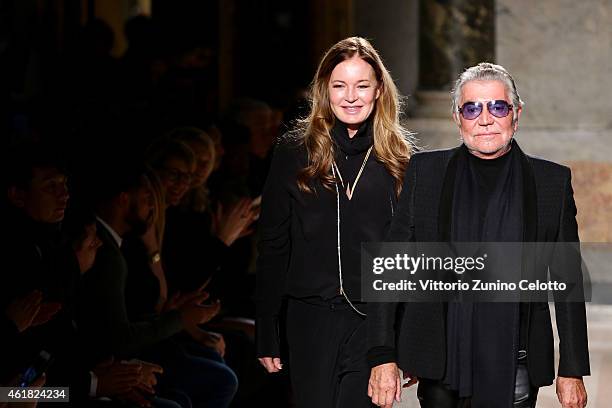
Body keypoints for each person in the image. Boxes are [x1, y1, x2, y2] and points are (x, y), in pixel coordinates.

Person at [367, 62, 590, 408]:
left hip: (516, 360)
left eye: (497, 107)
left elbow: (568, 281)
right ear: (458, 118)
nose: (484, 119)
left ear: (516, 114)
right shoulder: (426, 174)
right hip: (441, 361)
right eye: (472, 108)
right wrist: (383, 354)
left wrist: (572, 368)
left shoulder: (551, 183)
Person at [255, 36, 414, 407]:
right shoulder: (295, 152)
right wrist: (267, 327)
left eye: (362, 85)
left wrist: (408, 339)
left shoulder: (401, 160)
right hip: (309, 319)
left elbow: (410, 259)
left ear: (378, 91)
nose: (351, 96)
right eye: (339, 85)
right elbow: (274, 245)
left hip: (373, 324)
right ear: (325, 91)